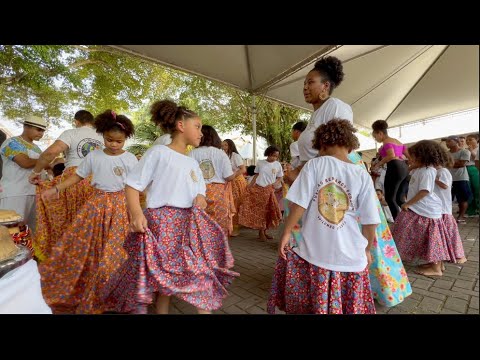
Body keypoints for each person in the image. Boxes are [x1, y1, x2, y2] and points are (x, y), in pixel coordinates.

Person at [283, 56, 411, 307]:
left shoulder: (337, 106)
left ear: (326, 86)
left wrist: (305, 171)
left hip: (335, 175)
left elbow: (335, 144)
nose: (305, 87)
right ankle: (320, 285)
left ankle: (369, 289)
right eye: (304, 84)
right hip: (316, 176)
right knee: (321, 234)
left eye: (311, 82)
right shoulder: (315, 115)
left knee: (353, 232)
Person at [102, 100, 238, 314]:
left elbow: (200, 190)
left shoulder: (192, 161)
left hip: (188, 226)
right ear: (181, 126)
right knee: (164, 278)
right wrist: (136, 214)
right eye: (197, 126)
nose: (201, 132)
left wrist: (201, 198)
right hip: (161, 224)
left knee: (200, 275)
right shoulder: (158, 153)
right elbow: (132, 185)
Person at [268, 119, 379, 314]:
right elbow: (370, 221)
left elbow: (299, 205)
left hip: (316, 254)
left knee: (315, 304)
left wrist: (286, 233)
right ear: (349, 144)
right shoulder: (362, 175)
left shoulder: (314, 165)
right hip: (351, 259)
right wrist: (367, 250)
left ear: (323, 143)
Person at [38, 110, 137, 314]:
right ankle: (90, 288)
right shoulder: (94, 155)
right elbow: (77, 177)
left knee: (116, 251)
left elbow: (136, 185)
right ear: (102, 135)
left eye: (119, 141)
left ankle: (112, 293)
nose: (113, 145)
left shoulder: (130, 160)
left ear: (125, 139)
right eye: (109, 140)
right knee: (88, 249)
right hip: (96, 206)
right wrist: (56, 188)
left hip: (120, 208)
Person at [29, 110, 104, 260]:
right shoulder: (103, 136)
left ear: (76, 122)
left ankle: (69, 259)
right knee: (93, 223)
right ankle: (91, 260)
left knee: (71, 220)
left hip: (75, 179)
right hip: (99, 181)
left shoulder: (72, 133)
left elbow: (50, 153)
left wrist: (36, 171)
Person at [393, 140, 453, 277]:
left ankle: (436, 268)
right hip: (421, 208)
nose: (409, 158)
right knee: (427, 237)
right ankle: (436, 264)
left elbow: (424, 191)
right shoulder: (421, 169)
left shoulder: (427, 171)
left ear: (423, 157)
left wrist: (408, 203)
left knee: (431, 238)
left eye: (413, 156)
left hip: (425, 210)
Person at [0, 115, 47, 232]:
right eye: (38, 129)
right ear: (26, 127)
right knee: (10, 231)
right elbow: (24, 162)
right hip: (15, 193)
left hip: (34, 193)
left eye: (43, 131)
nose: (41, 134)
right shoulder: (11, 142)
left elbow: (43, 167)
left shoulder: (37, 148)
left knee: (30, 232)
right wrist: (45, 161)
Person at [190, 126, 236, 237]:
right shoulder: (220, 153)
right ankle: (218, 252)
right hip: (218, 194)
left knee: (199, 226)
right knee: (219, 226)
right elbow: (228, 177)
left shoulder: (192, 153)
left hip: (197, 192)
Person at [238, 146, 283, 241]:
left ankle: (265, 231)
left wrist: (276, 183)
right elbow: (256, 175)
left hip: (270, 190)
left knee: (269, 210)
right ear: (268, 154)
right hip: (258, 189)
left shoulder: (278, 165)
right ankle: (261, 232)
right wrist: (249, 186)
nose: (274, 158)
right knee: (261, 211)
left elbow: (280, 177)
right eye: (273, 155)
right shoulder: (260, 163)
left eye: (276, 156)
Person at [432, 146, 467, 265]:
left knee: (450, 233)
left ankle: (458, 254)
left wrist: (433, 179)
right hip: (438, 207)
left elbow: (445, 185)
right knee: (444, 234)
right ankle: (447, 253)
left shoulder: (443, 171)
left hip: (444, 209)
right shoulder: (437, 171)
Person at [370, 120, 410, 220]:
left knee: (389, 198)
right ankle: (408, 220)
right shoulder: (398, 142)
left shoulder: (386, 142)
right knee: (399, 198)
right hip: (403, 168)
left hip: (394, 167)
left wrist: (377, 165)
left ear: (380, 133)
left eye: (375, 136)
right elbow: (409, 157)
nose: (376, 139)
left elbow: (391, 156)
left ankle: (398, 223)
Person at [444, 135, 472, 224]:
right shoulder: (446, 154)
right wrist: (455, 161)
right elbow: (444, 164)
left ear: (456, 141)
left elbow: (462, 164)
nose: (447, 143)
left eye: (449, 141)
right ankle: (448, 216)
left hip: (461, 178)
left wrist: (450, 163)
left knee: (462, 199)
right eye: (446, 141)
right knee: (447, 198)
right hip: (448, 179)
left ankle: (461, 216)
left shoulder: (465, 151)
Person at [221, 139, 247, 236]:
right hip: (228, 182)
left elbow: (243, 169)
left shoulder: (235, 156)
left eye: (226, 145)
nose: (223, 147)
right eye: (222, 145)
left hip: (237, 182)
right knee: (228, 203)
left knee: (236, 203)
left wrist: (233, 176)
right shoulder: (222, 155)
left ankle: (236, 227)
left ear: (230, 146)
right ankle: (229, 226)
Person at [465, 134, 479, 216]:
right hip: (466, 169)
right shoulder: (465, 150)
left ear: (477, 139)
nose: (468, 141)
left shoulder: (478, 149)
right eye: (467, 140)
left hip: (475, 168)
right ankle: (471, 210)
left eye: (470, 139)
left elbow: (477, 159)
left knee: (477, 189)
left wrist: (471, 151)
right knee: (469, 190)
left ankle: (478, 208)